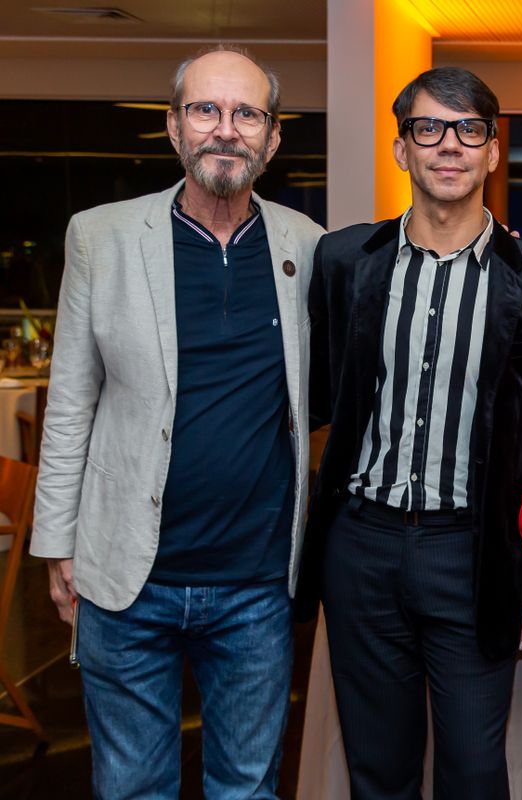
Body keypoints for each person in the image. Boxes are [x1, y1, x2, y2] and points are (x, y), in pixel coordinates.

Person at [30, 45, 323, 798]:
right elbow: (69, 404)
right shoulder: (100, 236)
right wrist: (56, 545)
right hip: (126, 579)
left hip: (257, 584)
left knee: (247, 789)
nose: (225, 130)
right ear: (173, 126)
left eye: (246, 113)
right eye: (205, 110)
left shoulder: (310, 248)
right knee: (131, 788)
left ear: (272, 137)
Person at [300, 66, 522, 799]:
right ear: (403, 149)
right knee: (378, 769)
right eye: (428, 129)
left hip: (475, 553)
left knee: (473, 771)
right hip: (360, 548)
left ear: (492, 150)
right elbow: (319, 398)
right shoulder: (343, 262)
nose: (448, 145)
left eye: (468, 130)